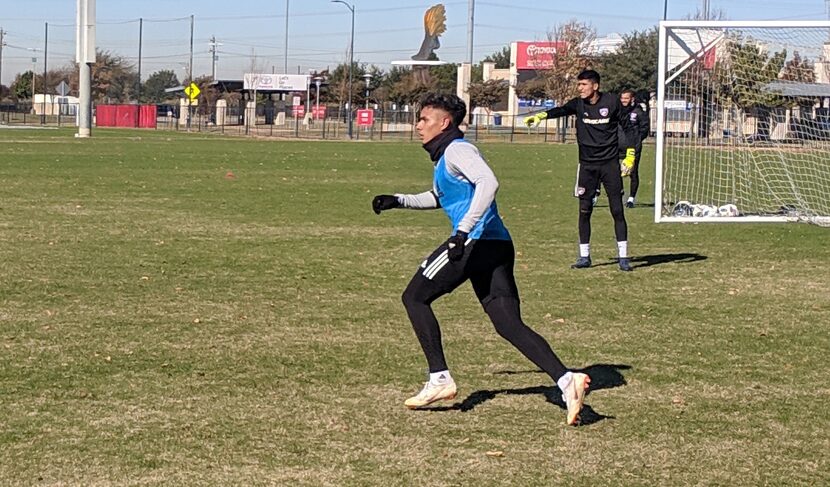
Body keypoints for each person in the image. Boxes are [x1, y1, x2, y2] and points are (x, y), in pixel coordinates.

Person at [372, 93, 591, 425]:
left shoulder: (459, 150)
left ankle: (439, 378)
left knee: (414, 297)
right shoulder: (447, 154)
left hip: (474, 243)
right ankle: (566, 380)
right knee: (507, 323)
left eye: (424, 119)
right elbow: (440, 197)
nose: (418, 125)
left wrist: (462, 232)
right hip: (495, 244)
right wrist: (398, 200)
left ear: (445, 122)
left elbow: (489, 182)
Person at [525, 69, 635, 272]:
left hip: (609, 164)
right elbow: (560, 110)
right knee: (584, 211)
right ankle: (584, 256)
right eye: (579, 85)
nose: (580, 88)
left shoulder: (611, 102)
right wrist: (541, 115)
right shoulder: (578, 104)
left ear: (595, 86)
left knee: (617, 210)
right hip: (586, 166)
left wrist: (629, 156)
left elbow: (628, 128)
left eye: (584, 85)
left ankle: (624, 256)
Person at [619, 89, 650, 208]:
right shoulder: (618, 111)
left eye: (626, 98)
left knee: (633, 172)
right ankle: (620, 191)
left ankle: (631, 198)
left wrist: (636, 140)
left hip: (632, 148)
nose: (623, 100)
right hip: (617, 147)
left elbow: (644, 129)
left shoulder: (639, 112)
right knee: (614, 171)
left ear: (632, 99)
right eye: (622, 98)